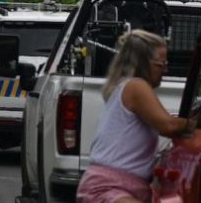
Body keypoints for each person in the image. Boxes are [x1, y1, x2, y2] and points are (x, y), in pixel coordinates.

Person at [76, 30, 193, 203]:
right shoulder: (136, 86)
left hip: (112, 186)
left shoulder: (124, 87)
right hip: (111, 188)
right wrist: (196, 123)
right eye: (161, 64)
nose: (166, 69)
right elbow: (168, 126)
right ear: (143, 63)